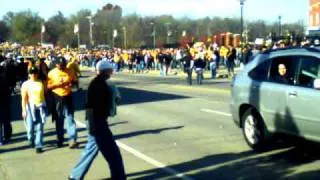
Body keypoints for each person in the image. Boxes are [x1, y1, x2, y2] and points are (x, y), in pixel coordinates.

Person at [69, 60, 126, 180]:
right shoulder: (100, 85)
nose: (111, 72)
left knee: (90, 150)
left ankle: (75, 176)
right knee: (113, 154)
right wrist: (95, 126)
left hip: (94, 122)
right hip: (98, 123)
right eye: (110, 70)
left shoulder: (97, 83)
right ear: (105, 71)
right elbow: (94, 106)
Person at [47, 56, 78, 148]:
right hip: (57, 97)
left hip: (68, 97)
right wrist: (57, 84)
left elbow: (75, 83)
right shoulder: (51, 73)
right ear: (56, 64)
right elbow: (48, 86)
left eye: (63, 65)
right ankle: (60, 139)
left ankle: (72, 140)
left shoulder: (70, 71)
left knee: (70, 118)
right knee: (59, 120)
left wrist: (71, 84)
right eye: (60, 65)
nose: (62, 67)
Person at [21, 66, 47, 153]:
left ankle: (38, 145)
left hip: (40, 107)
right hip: (30, 108)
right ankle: (30, 138)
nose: (33, 75)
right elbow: (24, 98)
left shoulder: (41, 82)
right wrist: (24, 110)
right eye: (31, 73)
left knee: (40, 127)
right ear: (29, 74)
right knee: (30, 128)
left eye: (35, 73)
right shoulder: (26, 84)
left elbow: (45, 93)